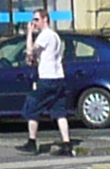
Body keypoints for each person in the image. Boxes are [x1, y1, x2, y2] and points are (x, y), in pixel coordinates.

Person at [20, 9, 74, 157]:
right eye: (33, 21)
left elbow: (30, 50)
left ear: (45, 19)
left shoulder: (45, 35)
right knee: (59, 112)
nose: (34, 23)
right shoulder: (56, 37)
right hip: (58, 77)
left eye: (36, 20)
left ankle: (32, 142)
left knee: (32, 108)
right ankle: (67, 144)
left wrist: (29, 33)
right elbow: (37, 58)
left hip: (47, 79)